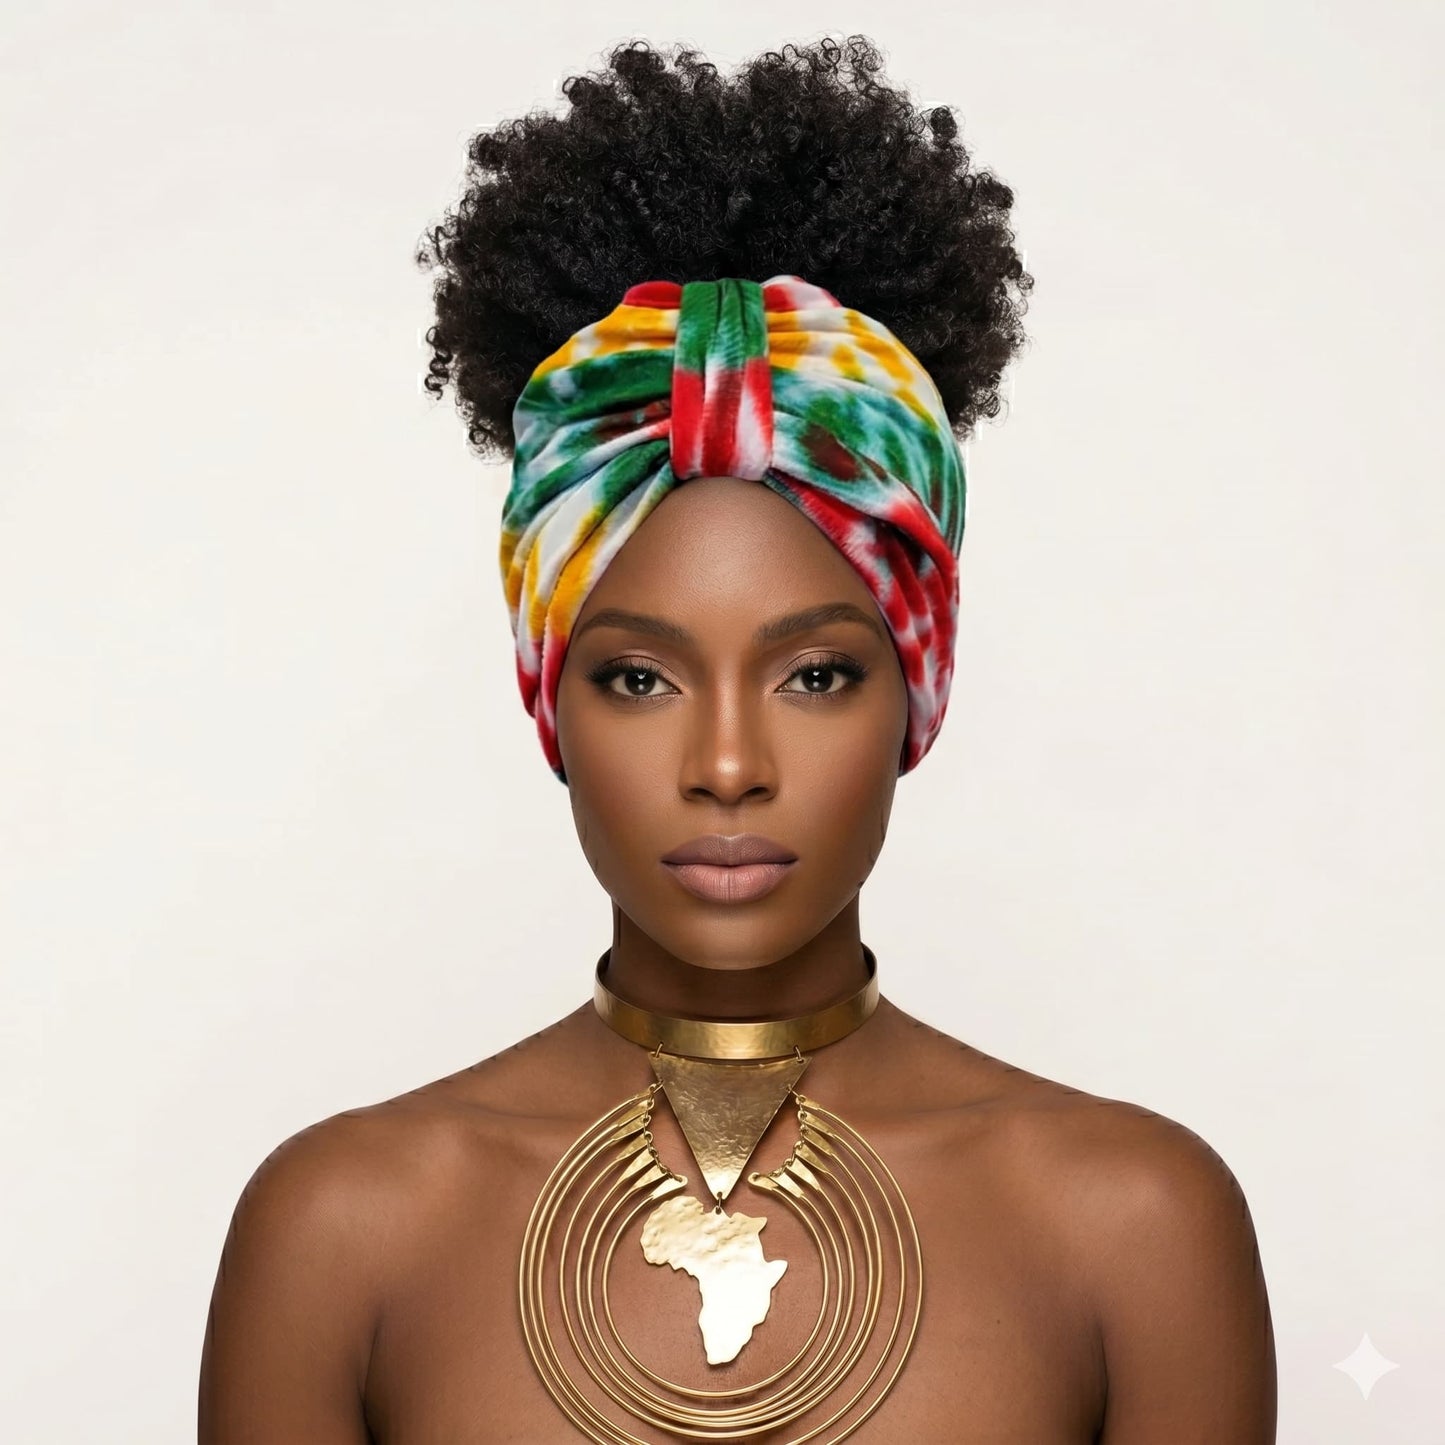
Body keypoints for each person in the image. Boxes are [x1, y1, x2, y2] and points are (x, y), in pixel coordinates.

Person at [198, 35, 1276, 1444]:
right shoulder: (342, 1232)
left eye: (815, 674)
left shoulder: (1134, 1227)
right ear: (548, 699)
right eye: (639, 678)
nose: (724, 765)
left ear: (917, 691)